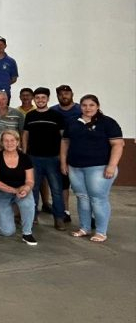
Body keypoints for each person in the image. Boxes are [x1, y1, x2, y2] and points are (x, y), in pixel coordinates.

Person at [61, 95, 124, 243]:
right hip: (75, 167)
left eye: (91, 105)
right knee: (82, 197)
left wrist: (111, 166)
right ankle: (85, 228)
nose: (87, 108)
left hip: (99, 167)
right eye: (84, 105)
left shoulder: (108, 122)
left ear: (97, 106)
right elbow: (65, 143)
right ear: (80, 106)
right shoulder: (73, 122)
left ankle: (101, 232)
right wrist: (64, 163)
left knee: (98, 199)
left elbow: (118, 145)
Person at [22, 87, 68, 231]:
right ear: (34, 99)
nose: (40, 100)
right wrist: (24, 154)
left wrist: (62, 156)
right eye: (37, 98)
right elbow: (25, 135)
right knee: (33, 189)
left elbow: (63, 137)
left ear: (48, 99)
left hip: (53, 158)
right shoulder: (30, 115)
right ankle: (33, 216)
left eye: (43, 97)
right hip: (33, 158)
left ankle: (59, 218)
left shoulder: (56, 115)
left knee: (56, 190)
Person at [0, 130, 37, 245]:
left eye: (12, 140)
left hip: (21, 189)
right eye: (6, 140)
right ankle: (2, 215)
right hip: (1, 192)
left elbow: (30, 181)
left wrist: (25, 189)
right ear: (1, 142)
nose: (9, 143)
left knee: (28, 203)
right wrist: (14, 191)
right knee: (7, 232)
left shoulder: (25, 158)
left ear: (17, 142)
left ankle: (27, 233)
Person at [51, 84, 82, 220]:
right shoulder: (53, 111)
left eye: (67, 93)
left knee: (82, 187)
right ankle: (65, 211)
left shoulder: (81, 109)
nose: (64, 96)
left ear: (72, 94)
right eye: (61, 94)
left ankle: (89, 215)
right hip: (58, 153)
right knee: (62, 185)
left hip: (79, 153)